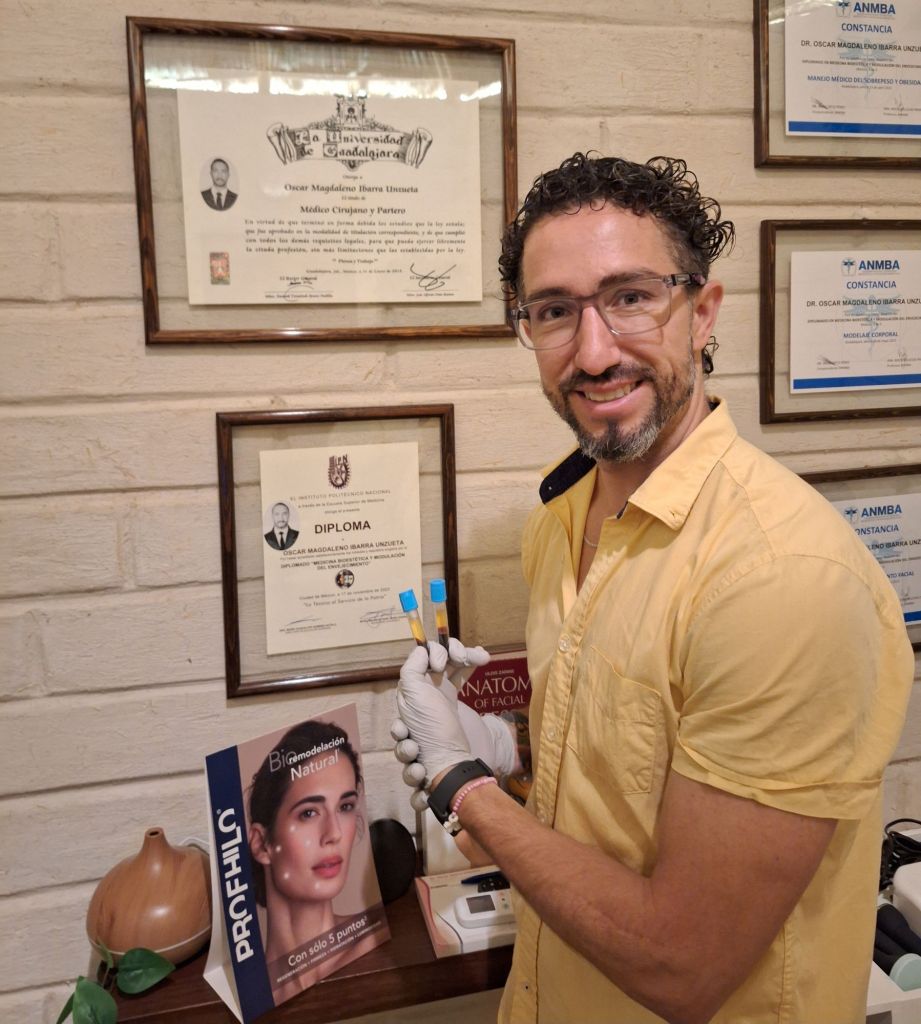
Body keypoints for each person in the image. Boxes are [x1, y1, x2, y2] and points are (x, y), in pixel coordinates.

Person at [392, 153, 914, 1024]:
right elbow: (620, 781)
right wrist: (513, 758)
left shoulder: (780, 578)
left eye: (631, 297)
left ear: (701, 313)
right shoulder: (558, 524)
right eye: (554, 311)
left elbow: (684, 964)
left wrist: (461, 785)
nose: (593, 352)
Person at [247, 719, 377, 1002]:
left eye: (345, 806)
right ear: (262, 844)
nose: (334, 833)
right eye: (308, 813)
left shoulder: (373, 943)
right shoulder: (255, 994)